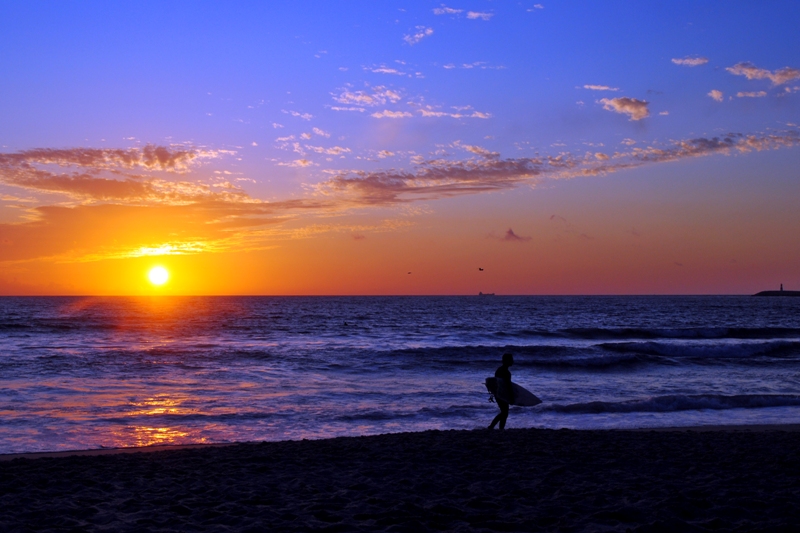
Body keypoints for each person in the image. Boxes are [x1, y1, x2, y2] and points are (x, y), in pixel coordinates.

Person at [489, 353, 515, 430]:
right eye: (511, 360)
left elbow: (496, 383)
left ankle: (495, 427)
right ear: (507, 361)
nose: (512, 361)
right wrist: (511, 397)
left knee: (504, 412)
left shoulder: (499, 370)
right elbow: (508, 386)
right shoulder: (506, 373)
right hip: (503, 395)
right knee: (505, 412)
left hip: (498, 394)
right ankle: (495, 427)